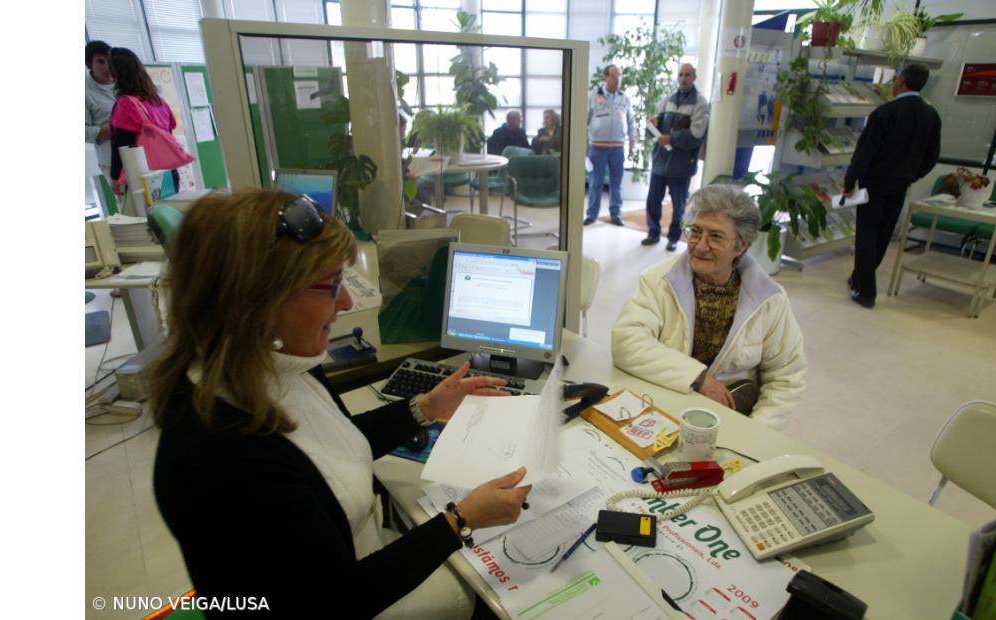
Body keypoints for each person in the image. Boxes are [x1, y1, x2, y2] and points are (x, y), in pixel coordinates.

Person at [151, 189, 532, 618]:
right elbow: (335, 600)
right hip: (340, 600)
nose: (348, 303)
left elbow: (331, 448)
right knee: (493, 595)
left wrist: (424, 406)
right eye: (332, 285)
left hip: (350, 561)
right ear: (259, 298)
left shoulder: (278, 363)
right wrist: (459, 520)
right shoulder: (218, 456)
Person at [611, 184, 807, 430]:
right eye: (695, 231)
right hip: (662, 406)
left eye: (715, 236)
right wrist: (698, 378)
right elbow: (626, 342)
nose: (700, 245)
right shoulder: (659, 280)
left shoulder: (769, 300)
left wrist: (756, 432)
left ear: (741, 246)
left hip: (731, 418)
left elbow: (786, 377)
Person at [843, 62, 941, 309]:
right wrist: (911, 176)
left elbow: (864, 152)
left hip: (873, 184)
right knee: (883, 234)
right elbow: (931, 157)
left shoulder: (885, 112)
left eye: (896, 79)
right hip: (900, 185)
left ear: (902, 81)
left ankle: (865, 291)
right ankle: (860, 276)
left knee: (867, 234)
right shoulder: (931, 116)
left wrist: (850, 180)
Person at [642, 63, 709, 252]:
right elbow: (653, 132)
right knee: (652, 201)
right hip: (660, 163)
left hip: (681, 167)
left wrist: (671, 138)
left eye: (688, 75)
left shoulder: (700, 103)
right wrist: (652, 124)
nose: (684, 78)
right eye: (681, 74)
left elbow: (696, 136)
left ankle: (673, 237)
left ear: (694, 77)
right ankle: (653, 233)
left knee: (678, 205)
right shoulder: (667, 100)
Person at [107, 47, 183, 193]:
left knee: (146, 215)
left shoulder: (126, 103)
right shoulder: (158, 101)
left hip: (145, 175)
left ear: (115, 72)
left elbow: (122, 144)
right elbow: (169, 130)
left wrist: (115, 177)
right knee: (169, 213)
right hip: (169, 170)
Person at [585, 64, 636, 227]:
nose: (617, 79)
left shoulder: (625, 98)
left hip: (618, 148)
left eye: (619, 75)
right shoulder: (593, 96)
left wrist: (632, 145)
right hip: (597, 148)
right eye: (613, 75)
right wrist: (583, 147)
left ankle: (616, 214)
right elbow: (583, 122)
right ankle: (592, 215)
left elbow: (631, 123)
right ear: (605, 77)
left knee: (616, 183)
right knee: (595, 183)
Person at [85, 40, 116, 178]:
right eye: (101, 62)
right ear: (90, 64)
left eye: (109, 61)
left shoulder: (124, 82)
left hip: (142, 151)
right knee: (128, 199)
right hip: (112, 159)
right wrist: (116, 130)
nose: (107, 67)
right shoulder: (85, 92)